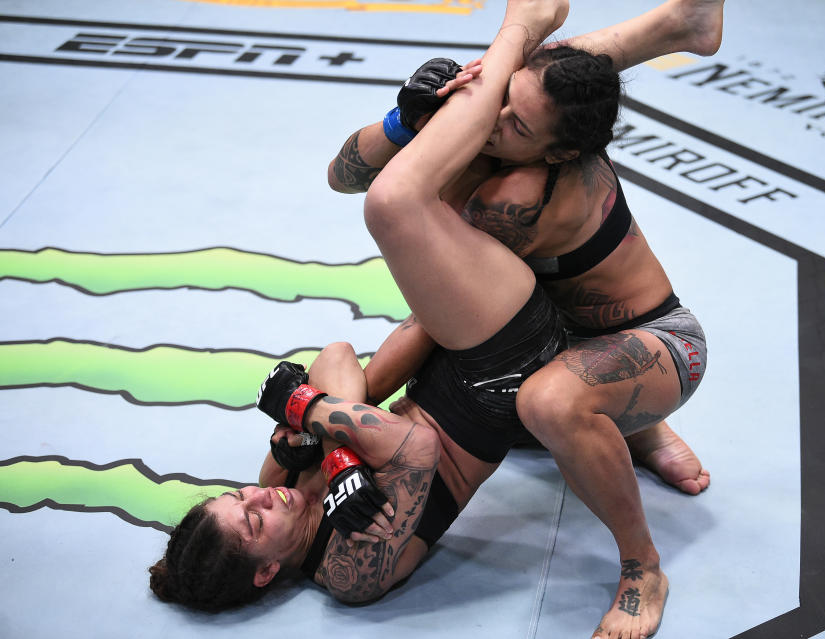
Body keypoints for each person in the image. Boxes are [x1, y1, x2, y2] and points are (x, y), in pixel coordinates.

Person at [149, 0, 573, 616]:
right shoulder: (348, 569)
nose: (260, 499)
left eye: (237, 497)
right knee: (398, 201)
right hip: (502, 372)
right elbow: (416, 450)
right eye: (253, 522)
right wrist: (307, 408)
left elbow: (336, 356)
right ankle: (522, 27)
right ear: (267, 571)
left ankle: (642, 33)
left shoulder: (280, 484)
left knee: (495, 135)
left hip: (445, 349)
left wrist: (340, 447)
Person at [327, 2, 725, 636]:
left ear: (557, 151)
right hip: (560, 339)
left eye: (515, 124)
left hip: (657, 345)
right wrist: (406, 119)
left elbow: (432, 320)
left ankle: (643, 565)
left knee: (546, 401)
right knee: (519, 378)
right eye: (500, 99)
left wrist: (345, 415)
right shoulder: (523, 134)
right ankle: (676, 24)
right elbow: (341, 175)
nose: (495, 119)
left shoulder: (514, 198)